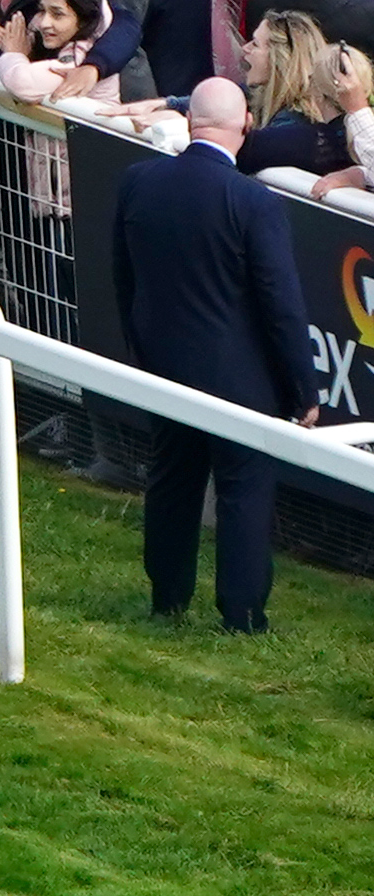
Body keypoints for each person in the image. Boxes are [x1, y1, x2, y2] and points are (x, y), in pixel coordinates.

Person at [116, 77, 326, 632]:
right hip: (241, 380)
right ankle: (243, 614)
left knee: (173, 478)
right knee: (244, 491)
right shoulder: (252, 200)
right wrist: (304, 391)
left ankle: (167, 599)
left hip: (164, 370)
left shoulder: (140, 182)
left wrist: (140, 350)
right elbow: (281, 304)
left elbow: (124, 279)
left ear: (191, 122)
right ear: (246, 126)